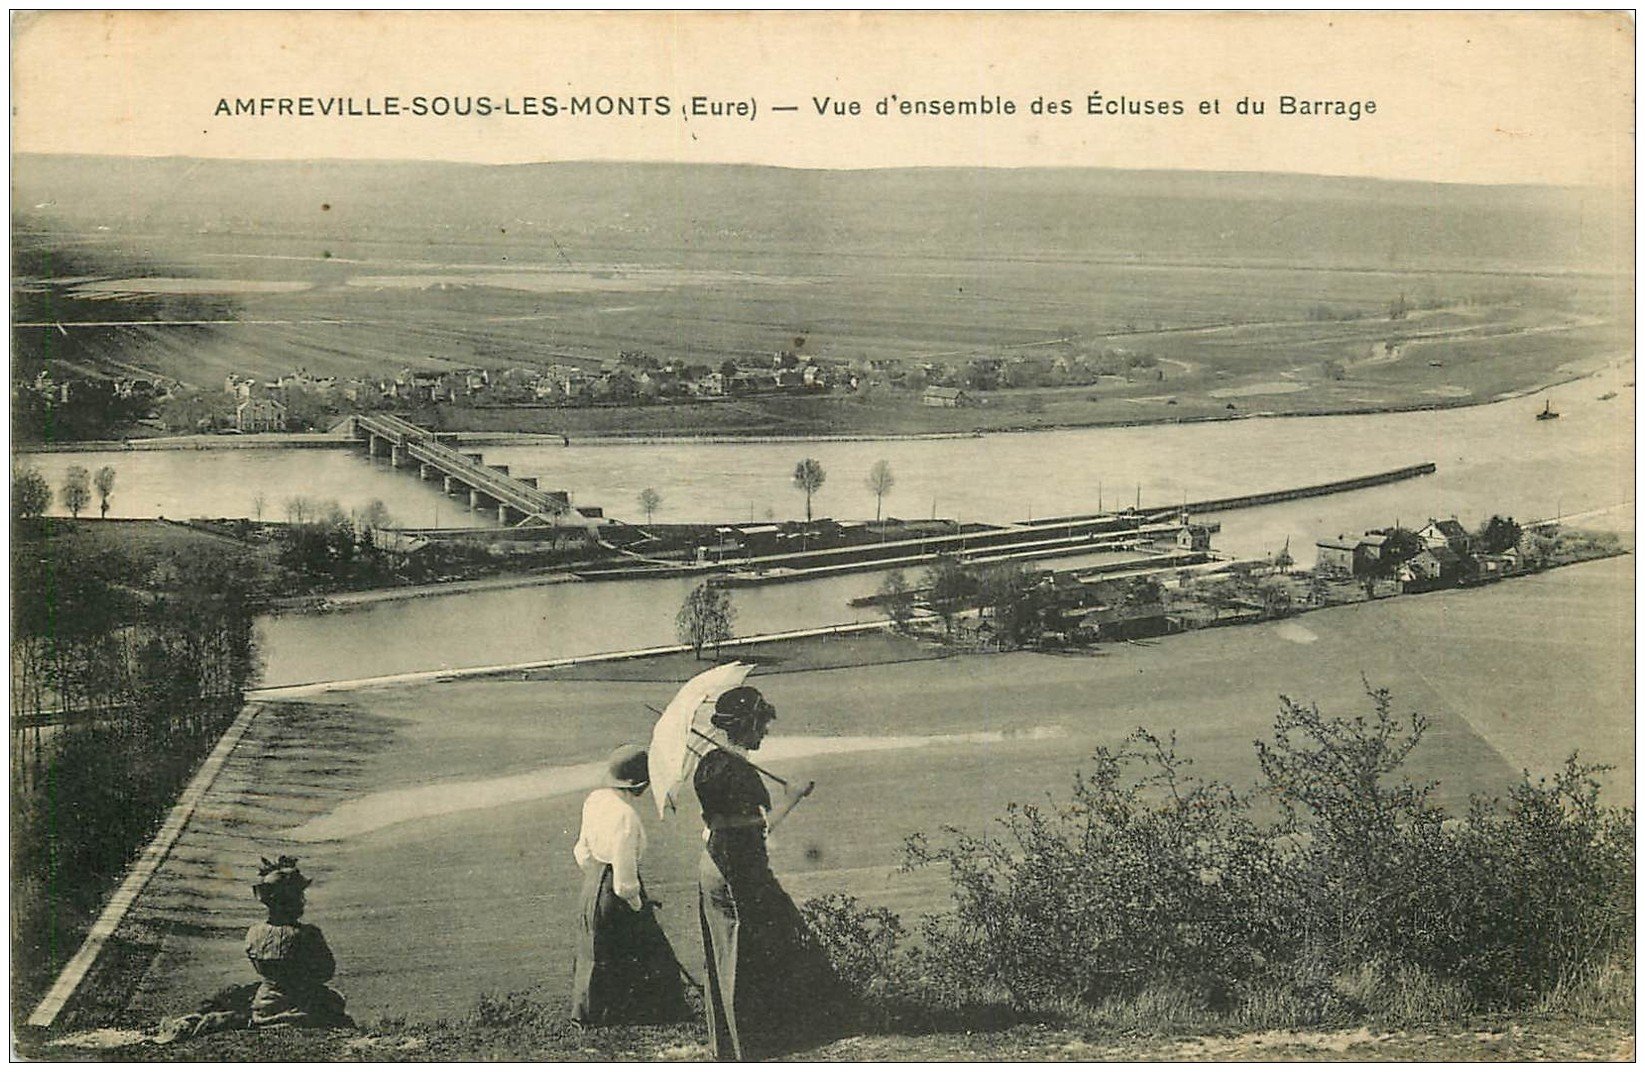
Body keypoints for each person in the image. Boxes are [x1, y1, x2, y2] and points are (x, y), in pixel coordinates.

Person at [694, 686, 852, 1061]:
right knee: (756, 946)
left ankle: (735, 1043)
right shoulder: (740, 773)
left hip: (712, 865)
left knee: (729, 951)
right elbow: (759, 830)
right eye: (761, 724)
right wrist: (792, 797)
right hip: (736, 868)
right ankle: (759, 1043)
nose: (765, 731)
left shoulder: (709, 763)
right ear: (747, 725)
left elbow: (717, 824)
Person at [153, 855, 351, 1043]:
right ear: (291, 901)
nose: (302, 901)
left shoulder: (254, 932)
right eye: (299, 896)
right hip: (301, 1003)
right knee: (335, 1003)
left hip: (265, 1003)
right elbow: (326, 971)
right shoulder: (308, 934)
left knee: (240, 994)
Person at [570, 743, 691, 1026]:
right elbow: (624, 884)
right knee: (651, 953)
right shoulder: (625, 816)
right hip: (616, 893)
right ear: (639, 784)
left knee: (595, 953)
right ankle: (652, 1015)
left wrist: (597, 879)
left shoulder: (594, 800)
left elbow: (581, 853)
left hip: (593, 885)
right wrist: (639, 906)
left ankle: (593, 1014)